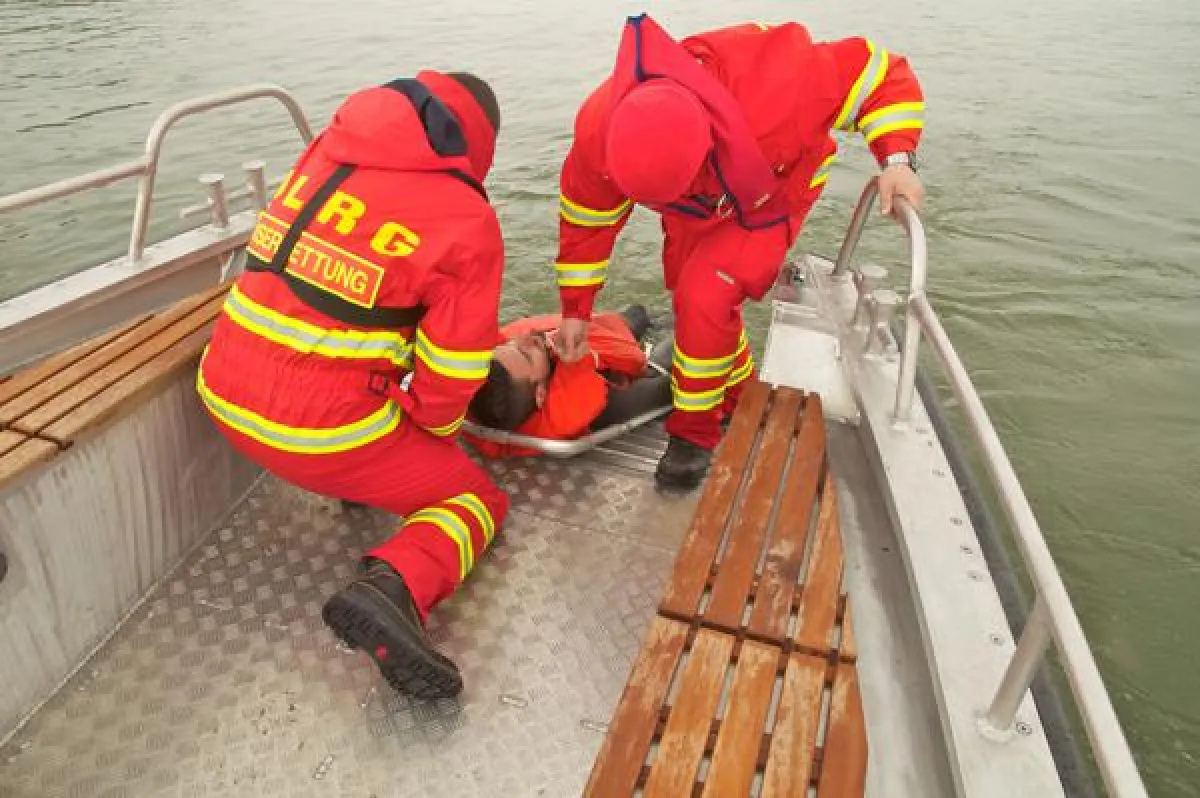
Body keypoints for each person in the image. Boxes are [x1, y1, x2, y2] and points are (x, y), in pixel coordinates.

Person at [196, 71, 505, 700]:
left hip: (220, 391)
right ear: (476, 144)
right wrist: (435, 434)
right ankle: (393, 586)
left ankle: (358, 489)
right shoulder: (465, 216)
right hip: (318, 434)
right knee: (476, 500)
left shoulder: (324, 155)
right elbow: (452, 376)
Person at [551, 15, 927, 489]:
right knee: (689, 298)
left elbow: (881, 74)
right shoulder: (597, 135)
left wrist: (897, 160)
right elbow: (587, 224)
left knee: (705, 295)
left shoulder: (781, 85)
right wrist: (576, 311)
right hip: (694, 204)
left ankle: (693, 437)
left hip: (774, 189)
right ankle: (736, 391)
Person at [467, 304, 671, 457]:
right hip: (623, 371)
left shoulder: (495, 392)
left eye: (509, 345)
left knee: (638, 313)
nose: (525, 337)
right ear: (540, 394)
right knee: (672, 363)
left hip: (604, 335)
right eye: (526, 354)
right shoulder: (601, 405)